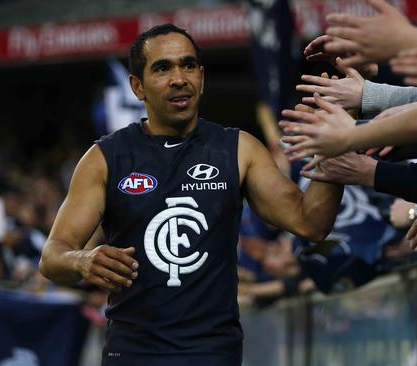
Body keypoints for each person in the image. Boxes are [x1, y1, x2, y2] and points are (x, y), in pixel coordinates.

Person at [39, 24, 343, 366]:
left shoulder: (239, 149)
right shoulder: (104, 158)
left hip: (212, 354)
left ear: (202, 76)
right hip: (132, 355)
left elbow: (311, 223)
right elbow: (52, 256)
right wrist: (82, 261)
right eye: (162, 68)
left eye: (188, 65)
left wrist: (335, 149)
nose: (179, 78)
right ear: (136, 87)